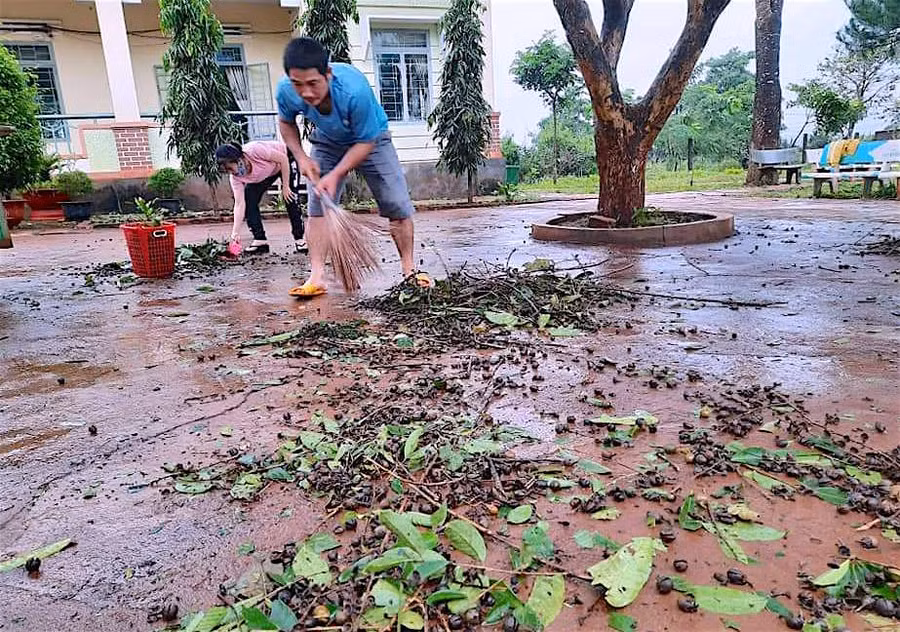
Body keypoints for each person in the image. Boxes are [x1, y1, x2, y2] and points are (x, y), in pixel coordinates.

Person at [275, 36, 429, 298]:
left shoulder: (354, 91)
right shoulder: (287, 90)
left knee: (397, 204)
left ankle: (409, 270)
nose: (306, 93)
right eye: (298, 84)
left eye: (313, 83)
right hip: (328, 140)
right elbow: (286, 123)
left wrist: (335, 174)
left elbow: (365, 142)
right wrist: (301, 157)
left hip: (371, 139)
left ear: (328, 74)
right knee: (317, 206)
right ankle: (316, 277)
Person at [216, 141, 306, 255]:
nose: (231, 173)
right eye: (227, 171)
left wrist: (286, 186)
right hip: (267, 173)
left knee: (290, 198)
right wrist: (235, 233)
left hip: (286, 160)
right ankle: (260, 240)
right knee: (248, 199)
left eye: (230, 168)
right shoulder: (236, 179)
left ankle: (300, 239)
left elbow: (283, 159)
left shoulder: (255, 150)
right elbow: (239, 204)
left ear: (238, 159)